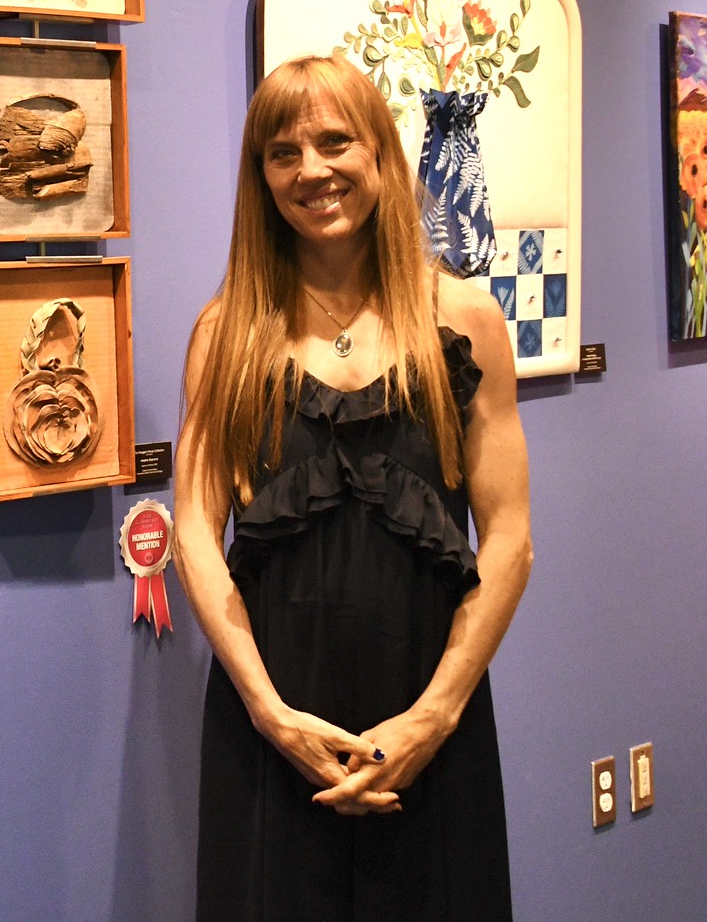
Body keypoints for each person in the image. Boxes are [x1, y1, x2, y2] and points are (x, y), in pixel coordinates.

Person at [175, 55, 534, 920]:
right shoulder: (226, 333)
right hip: (273, 727)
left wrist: (433, 717)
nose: (313, 170)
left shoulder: (464, 320)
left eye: (335, 142)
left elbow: (511, 537)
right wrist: (270, 713)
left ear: (379, 152)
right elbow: (192, 528)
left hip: (429, 718)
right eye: (283, 152)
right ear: (261, 176)